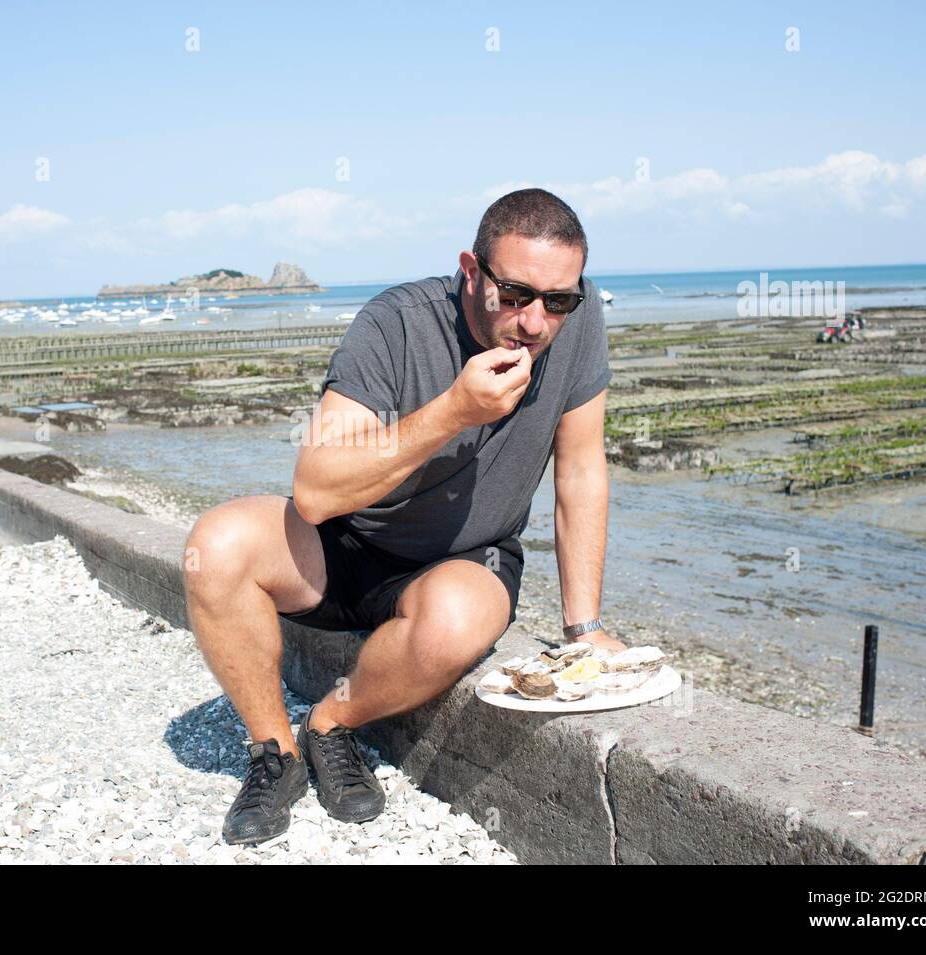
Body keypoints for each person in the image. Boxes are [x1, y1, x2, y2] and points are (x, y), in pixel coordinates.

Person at [183, 188, 624, 846]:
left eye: (558, 299)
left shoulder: (578, 325)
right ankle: (273, 752)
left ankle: (330, 725)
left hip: (464, 556)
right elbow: (315, 488)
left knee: (457, 620)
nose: (535, 321)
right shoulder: (395, 323)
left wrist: (582, 626)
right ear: (471, 272)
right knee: (215, 546)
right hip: (345, 544)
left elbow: (582, 470)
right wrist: (453, 410)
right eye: (516, 294)